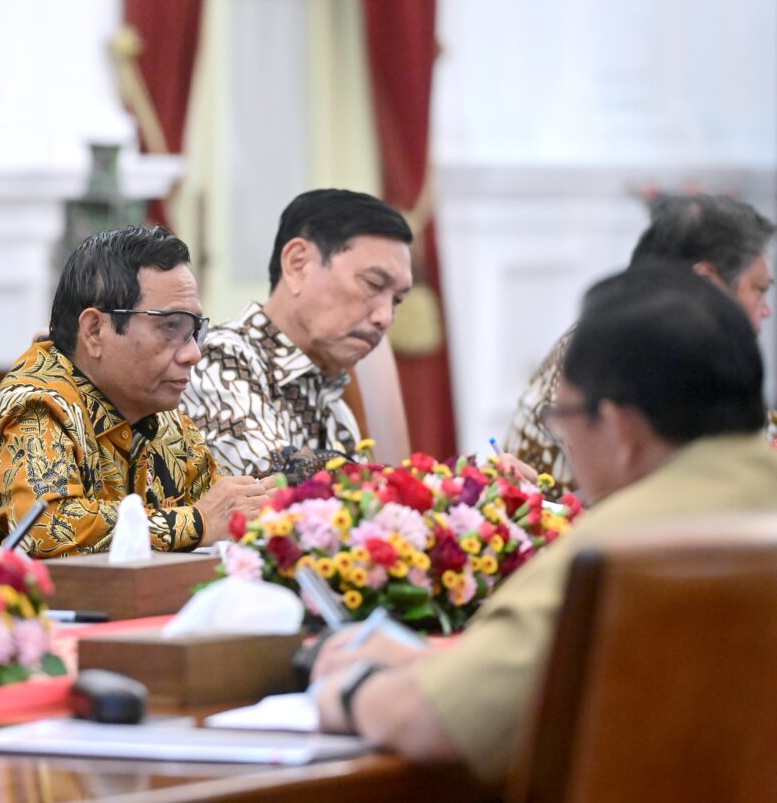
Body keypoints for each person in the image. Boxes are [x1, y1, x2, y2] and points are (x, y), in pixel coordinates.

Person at [310, 263, 777, 785]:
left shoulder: (628, 548)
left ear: (620, 427)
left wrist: (353, 690)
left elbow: (436, 720)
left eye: (566, 418)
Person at [0, 225, 273, 557]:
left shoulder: (164, 422)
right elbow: (46, 529)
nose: (193, 354)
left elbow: (223, 511)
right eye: (172, 327)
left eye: (194, 331)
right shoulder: (37, 405)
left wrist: (265, 511)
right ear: (95, 330)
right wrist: (196, 523)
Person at [504, 193, 775, 493]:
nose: (767, 310)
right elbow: (678, 498)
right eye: (759, 290)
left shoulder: (688, 353)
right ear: (707, 281)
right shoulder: (616, 351)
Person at [181, 189, 413, 478]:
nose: (385, 316)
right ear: (297, 264)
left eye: (397, 300)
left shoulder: (335, 403)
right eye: (373, 284)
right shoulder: (215, 358)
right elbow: (274, 488)